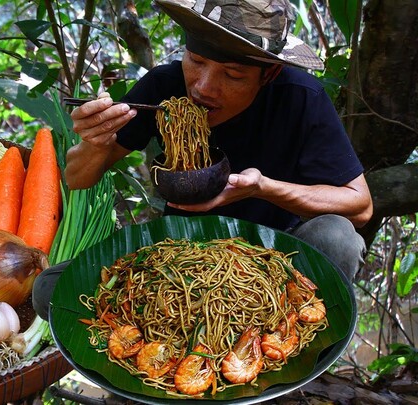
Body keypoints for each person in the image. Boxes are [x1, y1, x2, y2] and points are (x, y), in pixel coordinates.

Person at [32, 0, 373, 321]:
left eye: (233, 75)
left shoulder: (301, 98)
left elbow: (360, 206)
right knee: (49, 289)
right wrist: (95, 142)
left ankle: (288, 337)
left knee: (337, 237)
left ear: (268, 74)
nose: (204, 88)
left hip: (272, 254)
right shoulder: (163, 86)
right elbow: (77, 178)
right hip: (180, 250)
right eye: (196, 61)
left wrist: (262, 188)